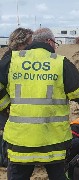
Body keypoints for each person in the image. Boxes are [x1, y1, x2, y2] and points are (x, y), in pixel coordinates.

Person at [0, 27, 79, 180]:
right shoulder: (60, 62)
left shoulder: (13, 60)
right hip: (53, 141)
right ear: (50, 42)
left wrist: (6, 105)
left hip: (21, 141)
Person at [0, 27, 33, 168]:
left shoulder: (14, 58)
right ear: (21, 44)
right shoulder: (9, 61)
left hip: (12, 107)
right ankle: (5, 161)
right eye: (30, 43)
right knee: (5, 134)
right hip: (6, 109)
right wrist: (8, 106)